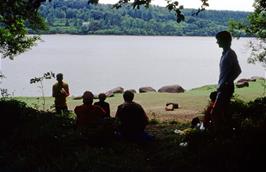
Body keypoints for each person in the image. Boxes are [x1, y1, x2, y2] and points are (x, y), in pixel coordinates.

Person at [212, 31, 242, 130]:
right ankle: (227, 135)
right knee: (223, 113)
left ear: (225, 40)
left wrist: (226, 82)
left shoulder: (230, 54)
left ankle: (220, 135)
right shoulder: (225, 53)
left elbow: (238, 70)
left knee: (216, 112)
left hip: (226, 88)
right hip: (223, 87)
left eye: (218, 40)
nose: (217, 42)